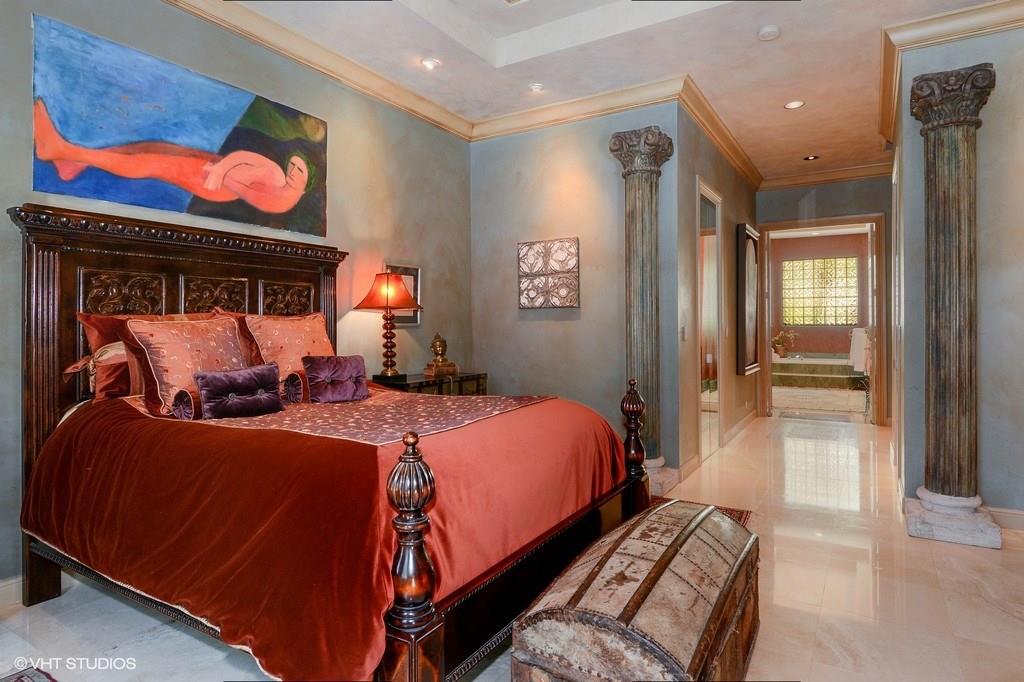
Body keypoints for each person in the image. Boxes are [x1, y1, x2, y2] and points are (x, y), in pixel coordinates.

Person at [33, 99, 310, 214]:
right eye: (296, 167)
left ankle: (61, 150)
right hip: (216, 170)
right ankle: (74, 162)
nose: (293, 169)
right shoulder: (275, 174)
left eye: (297, 171)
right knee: (154, 149)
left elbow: (244, 186)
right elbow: (241, 157)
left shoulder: (279, 193)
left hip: (214, 181)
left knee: (151, 162)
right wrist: (221, 168)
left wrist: (219, 172)